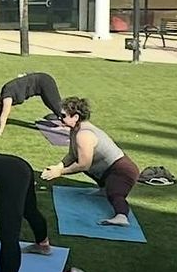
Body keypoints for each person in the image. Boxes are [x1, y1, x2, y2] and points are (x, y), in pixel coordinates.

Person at [42, 97, 140, 227]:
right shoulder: (75, 129)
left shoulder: (84, 134)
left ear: (75, 117)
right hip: (108, 169)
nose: (60, 118)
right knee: (81, 162)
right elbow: (72, 154)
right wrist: (58, 166)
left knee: (115, 194)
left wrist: (60, 172)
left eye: (63, 115)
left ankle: (121, 216)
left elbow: (84, 164)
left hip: (122, 170)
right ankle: (103, 189)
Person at [0, 72, 64, 136]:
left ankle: (69, 123)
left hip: (45, 81)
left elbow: (5, 114)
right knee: (51, 104)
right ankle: (64, 120)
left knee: (57, 106)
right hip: (41, 82)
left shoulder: (6, 95)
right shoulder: (6, 92)